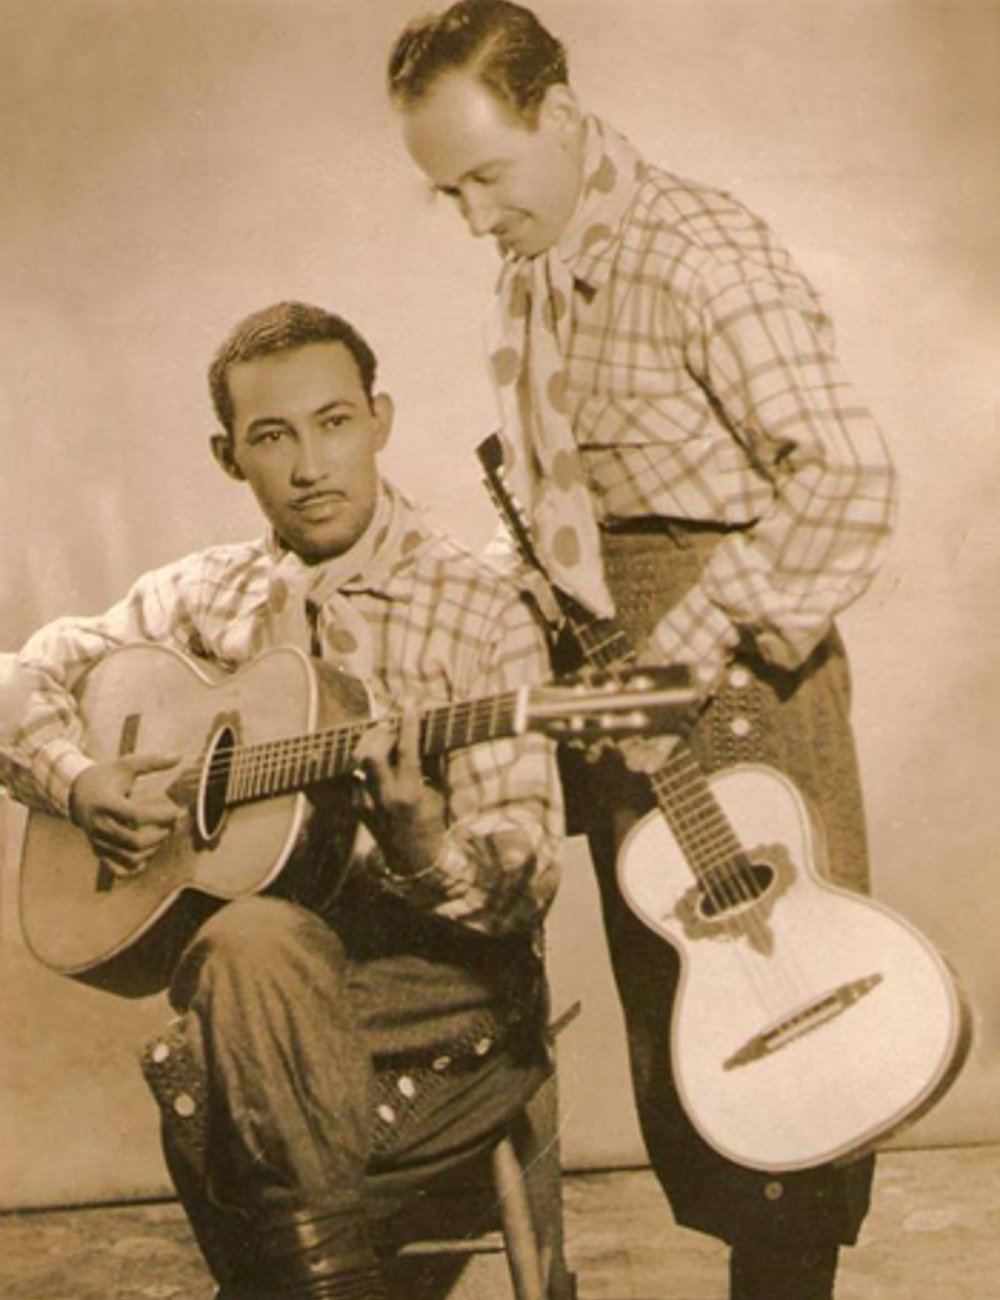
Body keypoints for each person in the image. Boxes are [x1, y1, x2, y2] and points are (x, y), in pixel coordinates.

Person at [386, 3, 898, 1297]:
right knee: (692, 1035)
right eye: (445, 193)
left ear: (558, 115)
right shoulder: (535, 258)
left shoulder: (698, 248)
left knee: (786, 1027)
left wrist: (686, 646)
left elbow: (847, 475)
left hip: (733, 689)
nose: (473, 218)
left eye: (485, 178)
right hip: (615, 680)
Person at [2, 300, 565, 1300]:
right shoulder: (201, 595)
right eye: (274, 436)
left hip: (427, 981)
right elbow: (17, 677)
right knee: (252, 943)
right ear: (230, 457)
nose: (311, 465)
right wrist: (78, 781)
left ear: (380, 418)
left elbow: (525, 874)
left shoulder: (481, 609)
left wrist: (422, 840)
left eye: (335, 422)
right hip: (264, 979)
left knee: (224, 1019)